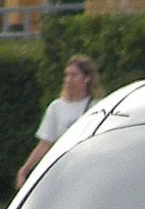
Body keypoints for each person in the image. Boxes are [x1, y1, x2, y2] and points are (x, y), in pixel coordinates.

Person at [15, 54, 104, 189]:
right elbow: (45, 143)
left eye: (74, 75)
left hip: (88, 168)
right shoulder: (56, 107)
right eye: (66, 75)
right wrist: (25, 170)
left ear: (87, 79)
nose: (68, 80)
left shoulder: (97, 107)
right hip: (64, 168)